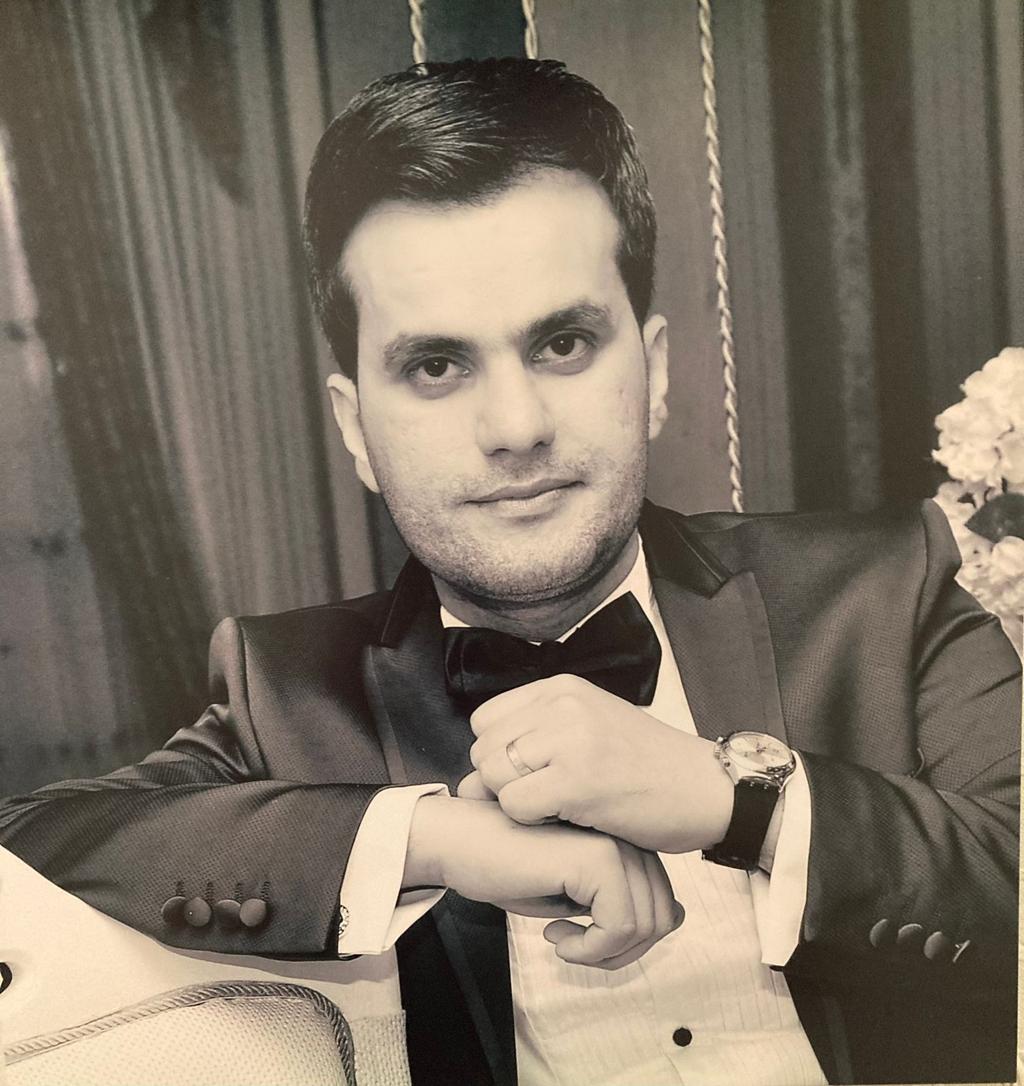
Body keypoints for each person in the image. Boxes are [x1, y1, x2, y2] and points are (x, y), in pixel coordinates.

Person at [0, 58, 1018, 1086]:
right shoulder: (288, 695)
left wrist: (741, 800)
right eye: (436, 366)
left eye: (564, 343)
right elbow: (32, 840)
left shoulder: (886, 586)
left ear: (656, 373)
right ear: (356, 430)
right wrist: (431, 839)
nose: (516, 427)